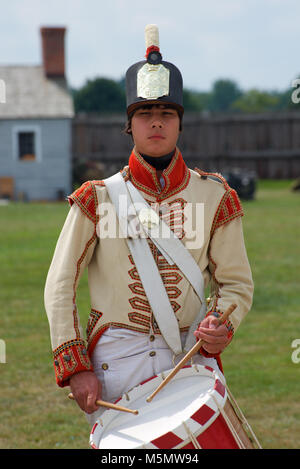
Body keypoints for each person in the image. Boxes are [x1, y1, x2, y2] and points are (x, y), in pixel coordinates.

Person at [44, 25, 253, 428]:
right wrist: (75, 364)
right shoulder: (96, 197)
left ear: (179, 123)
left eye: (166, 114)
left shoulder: (217, 196)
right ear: (131, 124)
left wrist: (223, 322)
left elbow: (236, 284)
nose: (155, 123)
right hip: (116, 361)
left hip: (189, 353)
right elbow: (60, 283)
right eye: (145, 114)